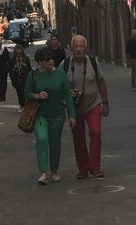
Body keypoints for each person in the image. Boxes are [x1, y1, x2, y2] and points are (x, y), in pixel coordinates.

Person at [25, 47, 76, 185]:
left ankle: (54, 171)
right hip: (40, 114)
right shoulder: (33, 75)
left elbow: (67, 95)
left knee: (55, 143)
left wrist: (72, 115)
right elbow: (27, 92)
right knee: (41, 139)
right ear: (40, 62)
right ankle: (43, 173)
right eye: (47, 59)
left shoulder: (60, 74)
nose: (51, 61)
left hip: (57, 114)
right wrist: (37, 95)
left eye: (52, 58)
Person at [64, 35, 109, 179]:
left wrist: (105, 102)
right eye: (75, 46)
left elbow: (101, 82)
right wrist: (67, 92)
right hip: (74, 108)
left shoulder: (93, 64)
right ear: (71, 48)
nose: (78, 49)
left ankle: (95, 167)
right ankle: (82, 168)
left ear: (86, 48)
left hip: (93, 104)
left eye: (81, 46)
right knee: (78, 138)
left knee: (96, 133)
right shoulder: (64, 65)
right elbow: (59, 85)